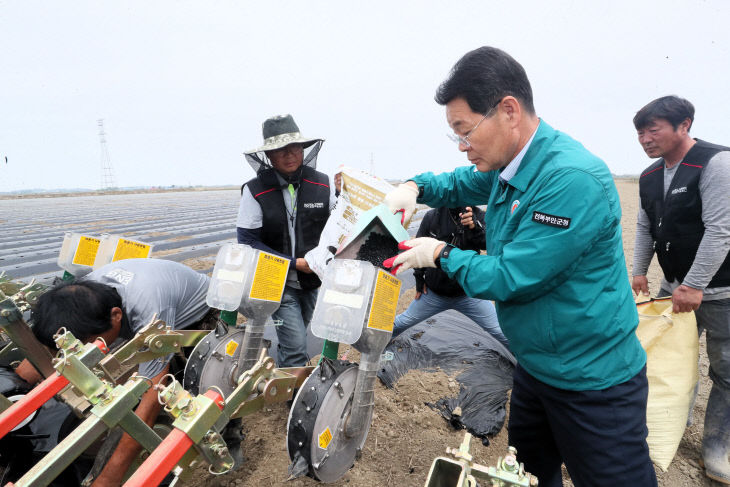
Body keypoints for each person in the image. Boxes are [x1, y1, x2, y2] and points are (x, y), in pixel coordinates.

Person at [382, 46, 655, 486]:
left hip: (591, 379)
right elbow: (458, 182)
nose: (463, 145)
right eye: (455, 135)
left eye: (464, 130)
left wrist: (440, 254)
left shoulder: (569, 180)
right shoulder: (510, 166)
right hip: (534, 367)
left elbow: (512, 277)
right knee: (527, 472)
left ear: (508, 110)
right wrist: (414, 187)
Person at [19, 258, 211, 487]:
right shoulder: (84, 293)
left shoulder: (151, 311)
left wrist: (110, 476)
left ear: (117, 316)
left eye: (86, 345)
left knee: (193, 383)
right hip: (141, 301)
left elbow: (153, 394)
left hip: (195, 314)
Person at [631, 95, 730, 484]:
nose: (645, 138)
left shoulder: (716, 163)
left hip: (719, 293)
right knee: (669, 363)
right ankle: (669, 426)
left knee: (725, 372)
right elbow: (643, 226)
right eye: (640, 132)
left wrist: (694, 285)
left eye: (653, 129)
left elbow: (721, 230)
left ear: (684, 124)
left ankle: (717, 447)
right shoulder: (650, 176)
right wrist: (639, 271)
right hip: (672, 289)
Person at [237, 114, 338, 367]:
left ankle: (283, 381)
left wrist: (347, 195)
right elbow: (248, 241)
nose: (289, 154)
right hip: (275, 280)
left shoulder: (322, 184)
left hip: (311, 280)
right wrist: (293, 264)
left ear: (303, 149)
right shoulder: (255, 190)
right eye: (279, 150)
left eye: (294, 147)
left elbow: (340, 226)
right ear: (269, 155)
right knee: (296, 346)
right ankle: (294, 401)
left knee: (296, 335)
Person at [392, 205, 509, 350]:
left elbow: (488, 245)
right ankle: (371, 346)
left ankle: (528, 365)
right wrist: (419, 280)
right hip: (434, 293)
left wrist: (474, 228)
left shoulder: (479, 216)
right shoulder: (432, 216)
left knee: (501, 331)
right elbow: (418, 250)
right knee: (401, 322)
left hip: (468, 293)